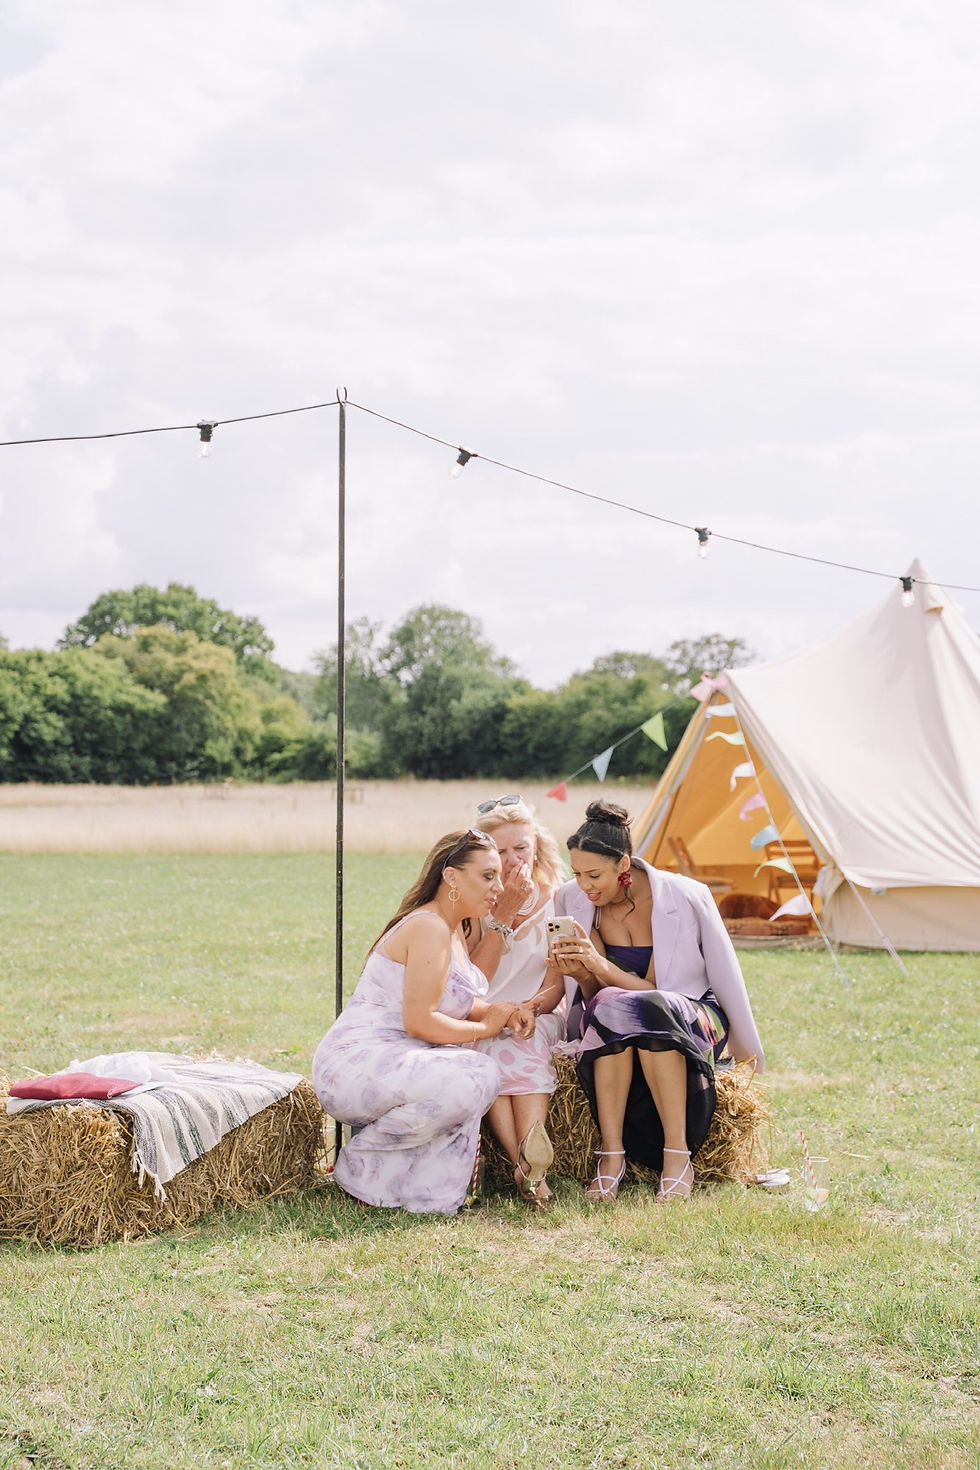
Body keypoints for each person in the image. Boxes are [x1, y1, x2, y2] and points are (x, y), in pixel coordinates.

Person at [312, 829, 535, 1215]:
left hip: (396, 1059)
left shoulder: (451, 930)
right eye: (487, 876)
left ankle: (422, 1195)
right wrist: (485, 1028)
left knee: (476, 1071)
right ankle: (359, 1163)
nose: (498, 887)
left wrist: (505, 1012)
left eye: (498, 876)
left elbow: (456, 1004)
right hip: (355, 1065)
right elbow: (420, 1022)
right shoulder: (429, 926)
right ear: (450, 877)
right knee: (473, 1074)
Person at [551, 801, 764, 1204]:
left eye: (594, 874)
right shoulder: (571, 900)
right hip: (616, 1013)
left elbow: (678, 982)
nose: (584, 885)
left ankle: (677, 1155)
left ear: (623, 864)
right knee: (617, 1005)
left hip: (693, 1011)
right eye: (577, 873)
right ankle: (611, 1156)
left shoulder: (684, 895)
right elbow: (597, 994)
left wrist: (600, 965)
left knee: (649, 1006)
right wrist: (580, 971)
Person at [465, 795, 567, 1205]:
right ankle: (527, 1167)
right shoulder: (473, 906)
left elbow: (557, 982)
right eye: (500, 851)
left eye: (520, 848)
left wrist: (528, 1009)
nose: (512, 859)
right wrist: (501, 915)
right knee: (488, 1042)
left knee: (525, 1041)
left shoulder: (559, 901)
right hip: (485, 1012)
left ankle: (525, 1167)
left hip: (539, 1009)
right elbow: (470, 979)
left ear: (537, 846)